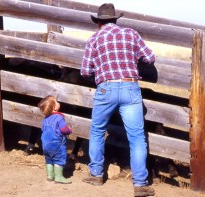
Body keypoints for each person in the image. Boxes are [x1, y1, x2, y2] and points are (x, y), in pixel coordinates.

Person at [80, 3, 156, 197]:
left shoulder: (94, 39)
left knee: (97, 130)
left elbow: (85, 71)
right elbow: (149, 58)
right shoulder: (131, 34)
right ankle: (140, 183)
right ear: (115, 20)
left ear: (98, 22)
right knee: (137, 137)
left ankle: (96, 174)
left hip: (106, 87)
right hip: (130, 86)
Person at [38, 95, 72, 184]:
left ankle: (50, 175)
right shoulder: (59, 118)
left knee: (49, 160)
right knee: (59, 159)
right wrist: (69, 130)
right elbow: (64, 129)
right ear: (54, 107)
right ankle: (58, 177)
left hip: (45, 145)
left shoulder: (45, 119)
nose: (58, 102)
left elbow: (42, 129)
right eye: (56, 101)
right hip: (57, 145)